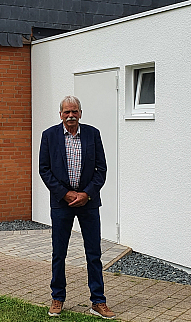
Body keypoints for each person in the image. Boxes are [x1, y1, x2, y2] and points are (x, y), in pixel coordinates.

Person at [39, 95, 116, 319]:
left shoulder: (93, 134)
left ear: (80, 113)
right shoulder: (49, 136)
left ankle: (98, 301)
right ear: (60, 114)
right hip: (61, 204)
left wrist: (86, 194)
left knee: (93, 253)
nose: (71, 116)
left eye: (75, 112)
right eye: (67, 112)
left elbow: (101, 169)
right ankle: (57, 297)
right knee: (59, 253)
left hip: (88, 203)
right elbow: (44, 170)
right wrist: (65, 193)